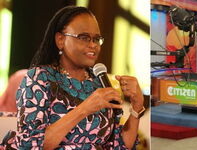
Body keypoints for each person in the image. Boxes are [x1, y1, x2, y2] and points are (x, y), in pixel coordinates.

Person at [0, 5, 145, 150]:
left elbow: (119, 145)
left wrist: (136, 107)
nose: (93, 45)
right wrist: (86, 108)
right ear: (60, 40)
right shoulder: (39, 78)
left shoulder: (98, 82)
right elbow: (30, 145)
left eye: (96, 39)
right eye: (84, 37)